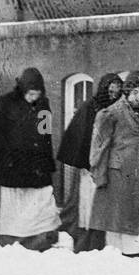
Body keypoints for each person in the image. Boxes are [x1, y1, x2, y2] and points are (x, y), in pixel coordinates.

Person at [89, 70, 139, 256]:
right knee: (122, 213)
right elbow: (100, 147)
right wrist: (99, 173)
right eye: (135, 93)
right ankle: (123, 251)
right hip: (120, 172)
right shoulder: (111, 114)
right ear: (127, 92)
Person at [0, 68, 60, 251]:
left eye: (37, 94)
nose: (33, 98)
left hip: (35, 169)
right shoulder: (5, 105)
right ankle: (8, 241)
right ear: (22, 90)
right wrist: (6, 160)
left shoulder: (43, 107)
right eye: (30, 94)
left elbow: (45, 137)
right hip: (11, 168)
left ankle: (38, 240)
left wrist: (45, 162)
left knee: (39, 207)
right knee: (12, 210)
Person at [57, 72, 122, 253]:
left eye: (117, 89)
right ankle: (86, 245)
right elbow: (80, 136)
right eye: (111, 89)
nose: (114, 93)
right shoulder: (89, 108)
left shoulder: (119, 110)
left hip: (111, 168)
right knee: (88, 208)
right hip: (91, 169)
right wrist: (87, 162)